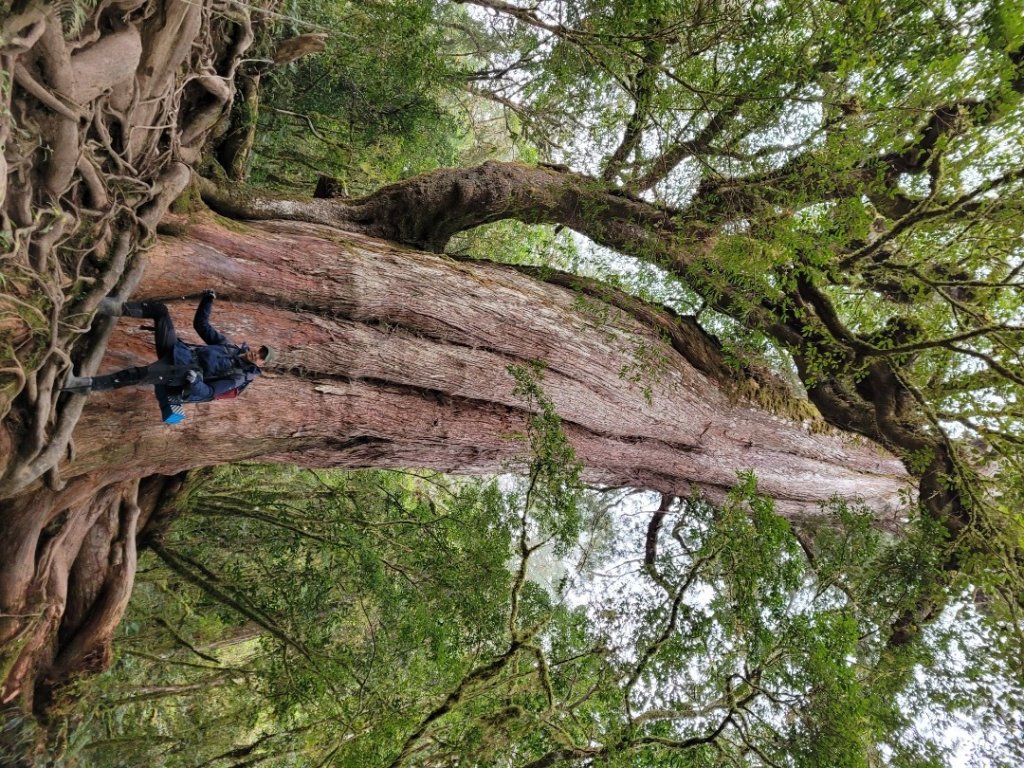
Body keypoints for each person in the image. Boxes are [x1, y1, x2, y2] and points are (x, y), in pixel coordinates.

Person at [63, 290, 275, 424]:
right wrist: (207, 300)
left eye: (261, 356)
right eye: (260, 349)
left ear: (261, 364)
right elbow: (201, 326)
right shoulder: (229, 348)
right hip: (178, 352)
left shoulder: (237, 377)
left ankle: (80, 385)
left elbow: (209, 392)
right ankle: (103, 304)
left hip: (180, 375)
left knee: (136, 374)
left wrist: (194, 381)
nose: (257, 353)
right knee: (160, 311)